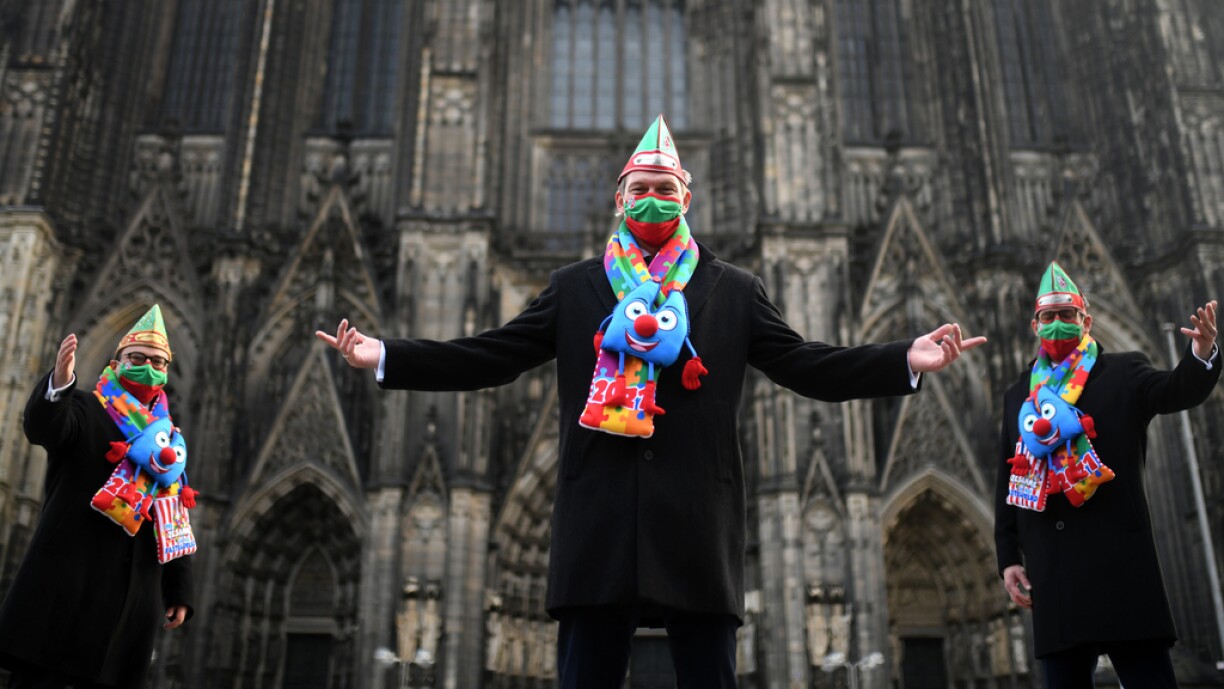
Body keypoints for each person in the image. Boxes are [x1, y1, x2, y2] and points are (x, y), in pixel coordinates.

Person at [319, 115, 985, 688]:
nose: (653, 200)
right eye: (641, 189)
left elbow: (808, 364)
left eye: (665, 190)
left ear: (686, 198)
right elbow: (491, 354)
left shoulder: (732, 288)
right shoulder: (576, 287)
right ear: (619, 199)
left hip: (696, 522)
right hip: (599, 523)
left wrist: (904, 358)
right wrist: (385, 355)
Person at [994, 262, 1219, 689]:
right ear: (1035, 324)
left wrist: (1202, 355)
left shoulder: (1123, 372)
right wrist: (1008, 558)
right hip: (1054, 573)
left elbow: (1176, 391)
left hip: (1121, 568)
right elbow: (1008, 481)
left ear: (1086, 320)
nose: (1058, 324)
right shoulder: (1019, 395)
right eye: (1049, 316)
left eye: (1068, 315)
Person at [0, 305, 197, 689]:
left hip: (128, 600)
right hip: (68, 585)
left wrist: (179, 589)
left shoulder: (169, 439)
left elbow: (173, 516)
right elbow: (44, 428)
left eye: (157, 362)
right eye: (136, 358)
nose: (147, 367)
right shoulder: (86, 408)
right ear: (116, 363)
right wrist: (60, 381)